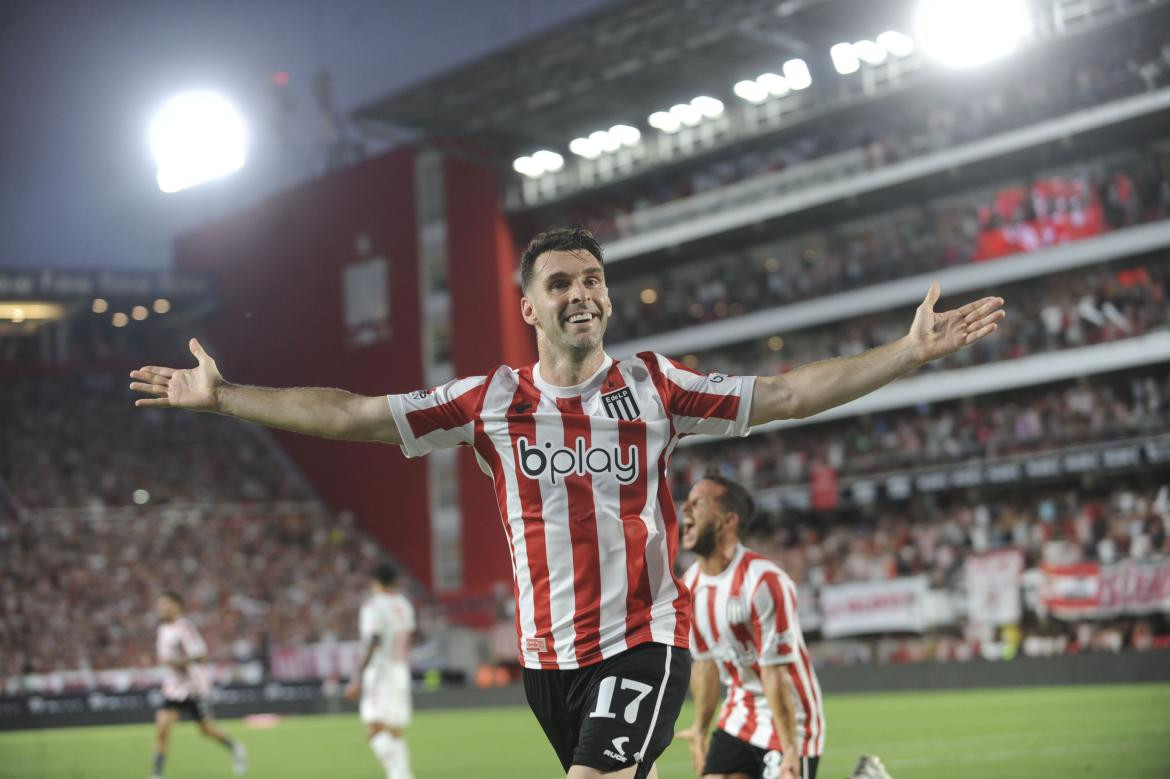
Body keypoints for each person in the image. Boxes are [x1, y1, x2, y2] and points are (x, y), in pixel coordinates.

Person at [130, 227, 1004, 778]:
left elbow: (784, 392)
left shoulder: (657, 386)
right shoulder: (489, 402)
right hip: (548, 663)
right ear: (529, 306)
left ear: (608, 296)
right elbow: (353, 414)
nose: (580, 291)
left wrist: (906, 353)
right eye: (560, 282)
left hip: (644, 639)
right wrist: (227, 396)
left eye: (592, 278)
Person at [675, 473, 821, 779]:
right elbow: (705, 666)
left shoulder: (764, 582)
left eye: (698, 503)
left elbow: (773, 671)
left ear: (729, 521)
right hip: (739, 712)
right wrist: (700, 730)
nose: (685, 508)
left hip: (790, 716)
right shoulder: (689, 587)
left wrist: (790, 748)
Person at [151, 591, 246, 779]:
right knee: (162, 727)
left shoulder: (184, 627)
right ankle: (156, 774)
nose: (161, 608)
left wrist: (178, 662)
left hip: (194, 687)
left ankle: (236, 748)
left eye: (165, 604)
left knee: (206, 729)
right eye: (160, 605)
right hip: (173, 687)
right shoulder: (162, 630)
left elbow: (201, 655)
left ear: (176, 605)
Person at [345, 564, 417, 779]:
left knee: (374, 727)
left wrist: (358, 677)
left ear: (374, 581)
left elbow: (374, 639)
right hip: (400, 669)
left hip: (380, 671)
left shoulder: (373, 606)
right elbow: (410, 636)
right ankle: (402, 775)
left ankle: (400, 775)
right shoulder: (404, 605)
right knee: (394, 730)